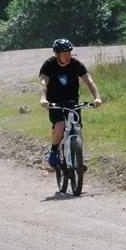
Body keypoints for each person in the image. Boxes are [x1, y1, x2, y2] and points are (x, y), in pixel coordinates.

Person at [38, 39, 102, 168]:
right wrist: (43, 98)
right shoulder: (49, 64)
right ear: (57, 54)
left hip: (72, 101)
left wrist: (97, 97)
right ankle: (54, 151)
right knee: (60, 125)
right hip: (54, 102)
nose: (68, 56)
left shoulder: (75, 64)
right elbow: (43, 82)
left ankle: (79, 158)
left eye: (69, 53)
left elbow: (89, 80)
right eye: (64, 53)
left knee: (76, 127)